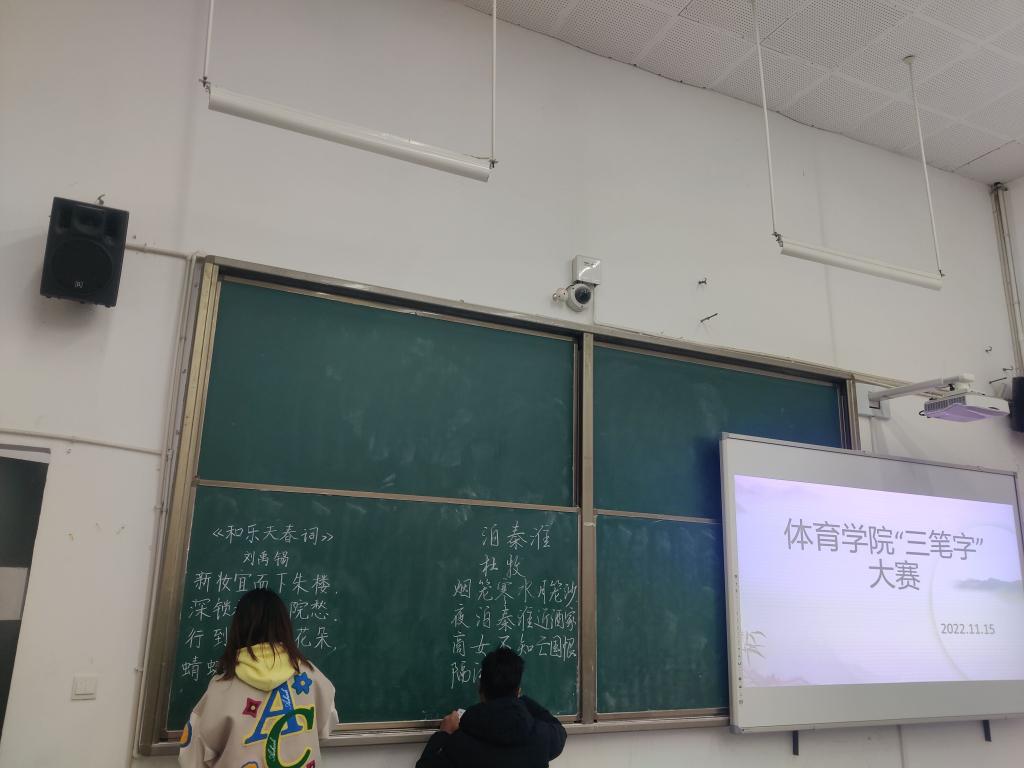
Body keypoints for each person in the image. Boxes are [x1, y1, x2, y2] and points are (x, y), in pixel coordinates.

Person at [178, 588, 338, 768]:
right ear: (284, 625)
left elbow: (192, 756)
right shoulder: (310, 676)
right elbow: (327, 723)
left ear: (238, 627)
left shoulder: (222, 688)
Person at [416, 648, 567, 768]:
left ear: (480, 690)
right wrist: (520, 700)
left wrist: (443, 734)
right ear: (518, 691)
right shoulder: (542, 737)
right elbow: (557, 727)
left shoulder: (460, 742)